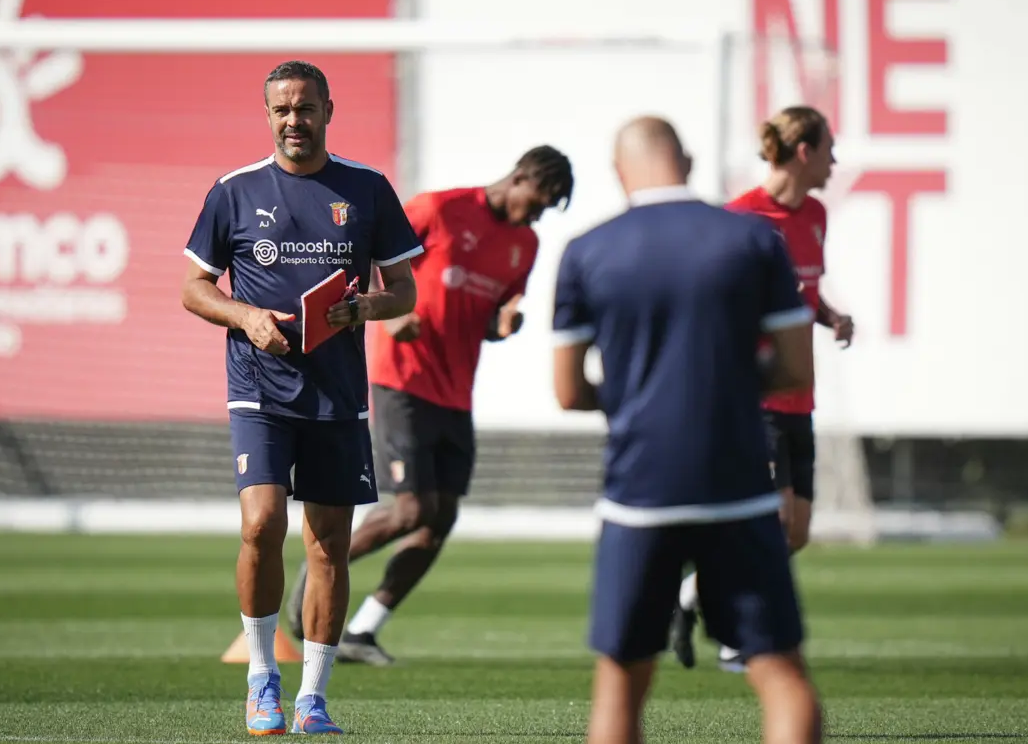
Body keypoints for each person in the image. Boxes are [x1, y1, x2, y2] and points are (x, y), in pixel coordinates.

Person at [552, 116, 823, 744]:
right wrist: (719, 388)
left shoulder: (589, 249)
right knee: (781, 672)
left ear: (620, 171)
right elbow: (793, 367)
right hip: (740, 482)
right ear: (690, 162)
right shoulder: (755, 240)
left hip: (640, 487)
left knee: (621, 682)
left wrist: (641, 394)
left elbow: (569, 392)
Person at [180, 60, 423, 736]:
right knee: (261, 523)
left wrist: (364, 308)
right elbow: (193, 287)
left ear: (328, 110)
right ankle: (262, 677)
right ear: (268, 116)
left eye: (306, 108)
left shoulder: (368, 189)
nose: (295, 120)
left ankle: (312, 696)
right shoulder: (233, 191)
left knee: (327, 548)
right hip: (258, 388)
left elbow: (403, 289)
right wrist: (245, 317)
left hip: (337, 394)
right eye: (283, 109)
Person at [285, 146, 575, 665]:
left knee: (439, 518)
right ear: (520, 177)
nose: (539, 213)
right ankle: (320, 565)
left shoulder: (524, 245)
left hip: (456, 392)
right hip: (404, 381)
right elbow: (370, 255)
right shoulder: (439, 209)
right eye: (540, 199)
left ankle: (366, 629)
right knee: (411, 508)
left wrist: (502, 325)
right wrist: (387, 315)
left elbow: (492, 311)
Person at [671, 105, 855, 673]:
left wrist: (829, 317)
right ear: (805, 152)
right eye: (829, 149)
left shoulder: (817, 214)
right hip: (754, 400)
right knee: (767, 526)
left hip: (801, 398)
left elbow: (802, 292)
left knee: (794, 535)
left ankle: (686, 598)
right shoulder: (740, 219)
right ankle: (736, 639)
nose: (834, 161)